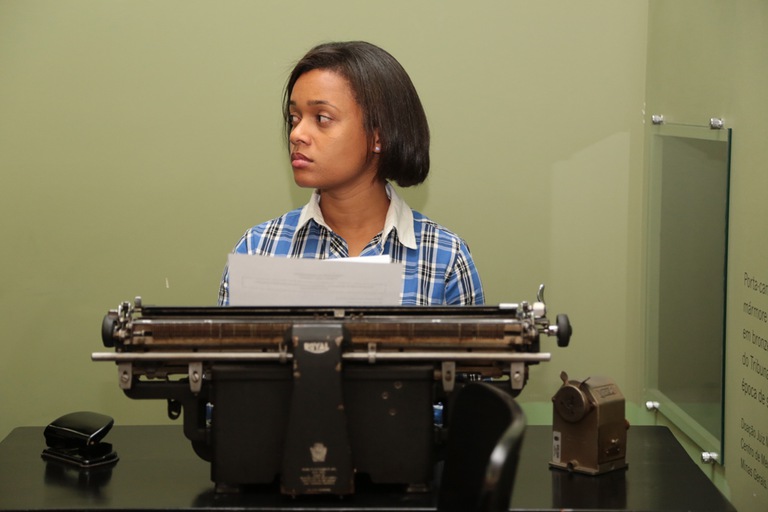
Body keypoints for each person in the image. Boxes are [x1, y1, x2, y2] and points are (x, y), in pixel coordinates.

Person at [218, 41, 483, 306]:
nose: (297, 134)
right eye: (294, 118)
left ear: (379, 136)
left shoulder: (446, 259)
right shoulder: (257, 248)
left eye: (322, 118)